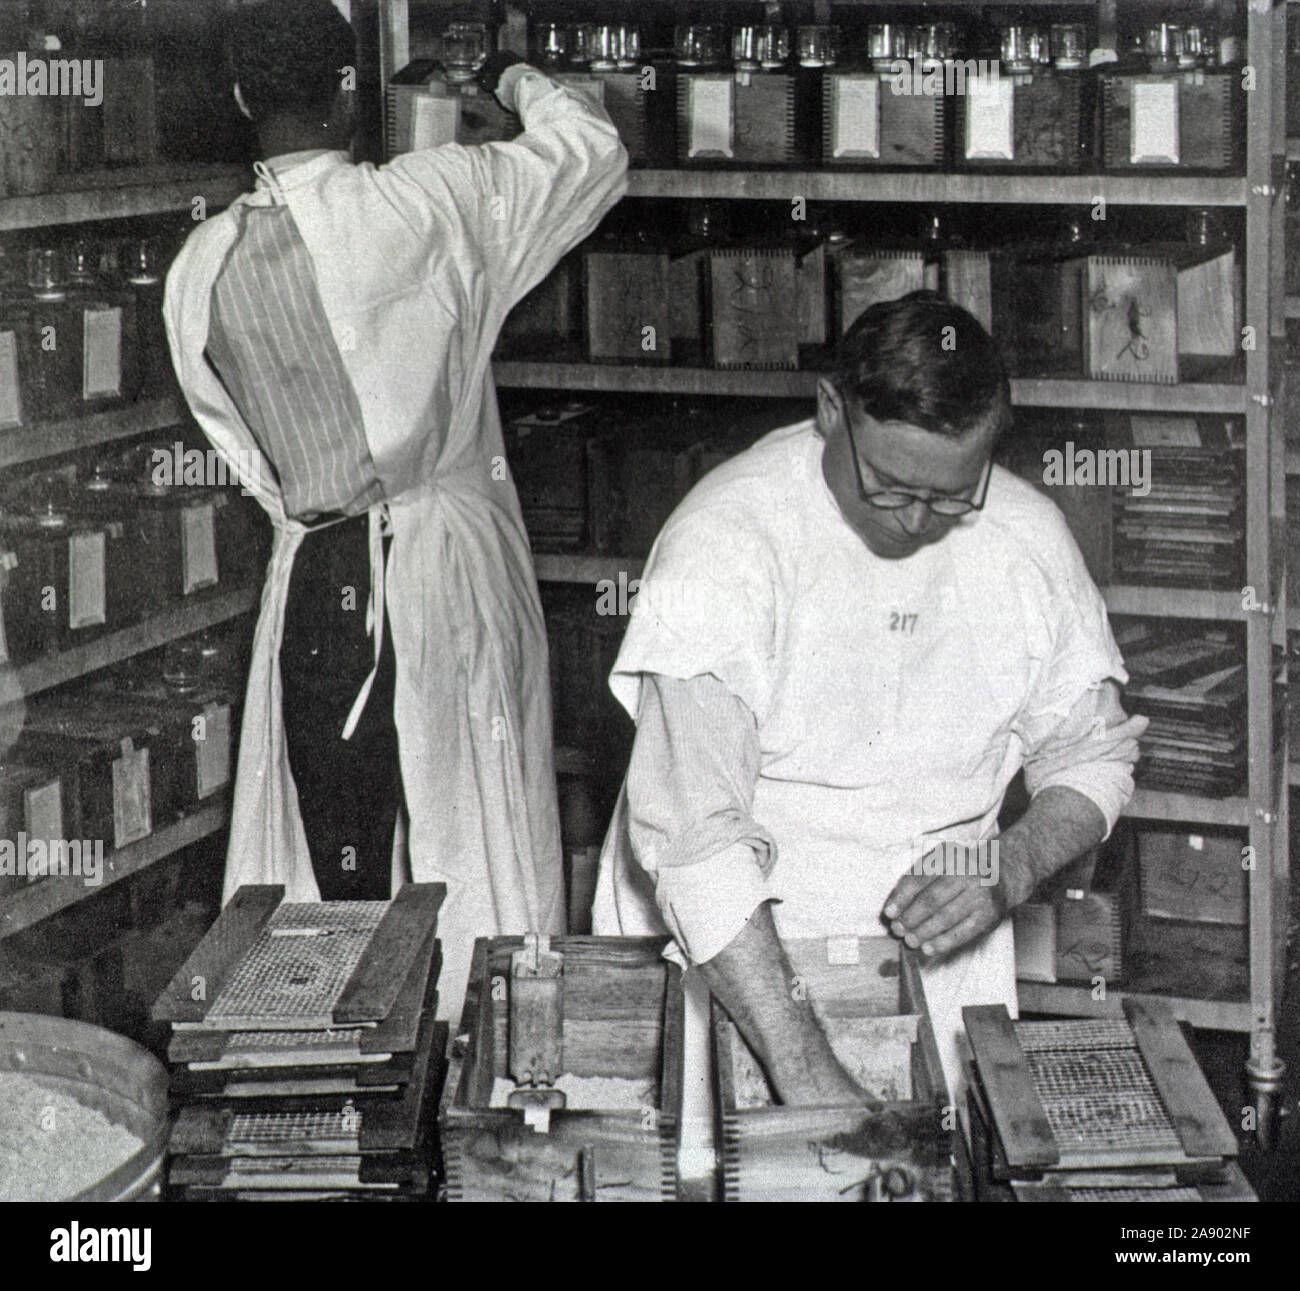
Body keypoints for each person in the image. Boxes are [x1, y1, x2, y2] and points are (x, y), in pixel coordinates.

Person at [164, 0, 628, 1021]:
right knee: (468, 823)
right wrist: (507, 75)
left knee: (330, 843)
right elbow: (590, 150)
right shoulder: (438, 198)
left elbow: (231, 440)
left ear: (243, 99)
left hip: (313, 573)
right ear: (349, 92)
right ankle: (482, 1053)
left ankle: (341, 1075)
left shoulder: (201, 265)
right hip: (443, 558)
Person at [593, 291, 1146, 1110]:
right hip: (731, 951)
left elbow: (1094, 753)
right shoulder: (726, 544)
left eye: (954, 493)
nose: (919, 520)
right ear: (829, 411)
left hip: (939, 957)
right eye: (889, 485)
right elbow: (697, 846)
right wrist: (811, 1077)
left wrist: (1010, 865)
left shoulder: (1028, 539)